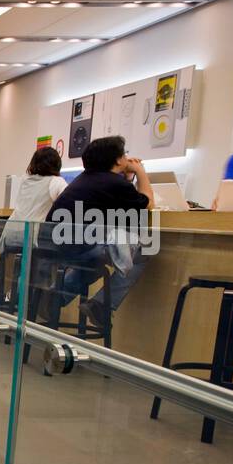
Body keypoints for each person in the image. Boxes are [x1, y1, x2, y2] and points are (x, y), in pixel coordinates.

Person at [44, 135, 154, 332]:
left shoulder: (84, 180)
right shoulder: (113, 183)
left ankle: (52, 298)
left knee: (95, 265)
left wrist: (128, 179)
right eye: (124, 154)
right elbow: (148, 204)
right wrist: (140, 171)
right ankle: (101, 305)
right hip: (76, 247)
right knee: (145, 250)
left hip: (57, 246)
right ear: (118, 160)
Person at [0, 147, 66, 251]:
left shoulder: (25, 179)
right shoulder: (57, 182)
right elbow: (68, 205)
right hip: (33, 240)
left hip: (10, 233)